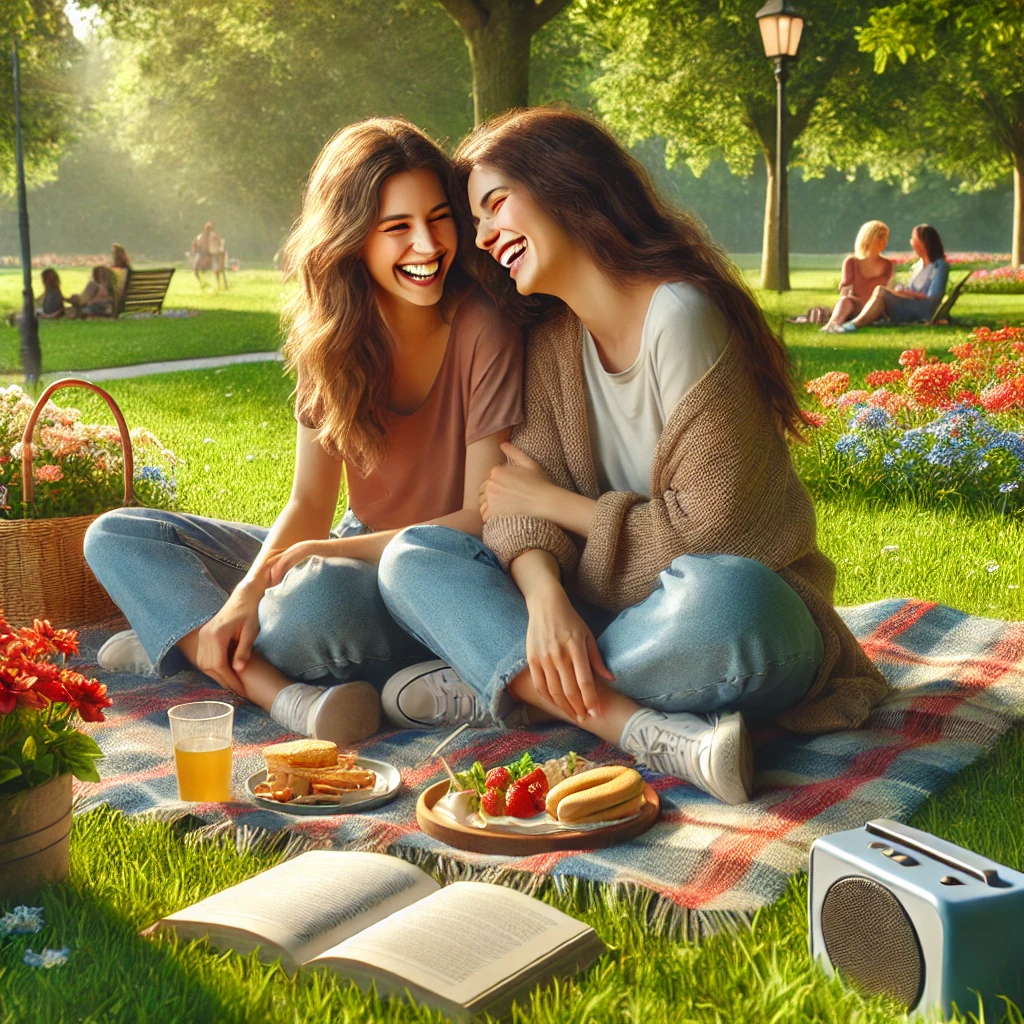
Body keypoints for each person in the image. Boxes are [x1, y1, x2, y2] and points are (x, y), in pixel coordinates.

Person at [376, 107, 889, 805]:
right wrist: (546, 596)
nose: (487, 236)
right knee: (415, 556)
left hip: (746, 619)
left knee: (724, 600)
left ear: (566, 185)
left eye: (496, 204)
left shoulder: (681, 317)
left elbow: (712, 535)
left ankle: (503, 679)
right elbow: (509, 511)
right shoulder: (551, 339)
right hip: (610, 623)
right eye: (478, 222)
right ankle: (641, 727)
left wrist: (559, 507)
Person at [83, 117, 525, 748]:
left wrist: (320, 559)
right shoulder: (334, 337)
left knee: (310, 613)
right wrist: (241, 597)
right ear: (351, 240)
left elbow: (478, 519)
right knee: (118, 535)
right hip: (343, 552)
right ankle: (248, 667)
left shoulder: (485, 327)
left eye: (438, 218)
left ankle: (182, 638)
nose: (427, 245)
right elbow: (310, 506)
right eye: (397, 228)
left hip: (435, 574)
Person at [836, 224, 949, 332]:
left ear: (923, 243)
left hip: (924, 310)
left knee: (881, 290)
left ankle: (855, 324)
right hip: (910, 304)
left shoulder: (940, 266)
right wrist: (901, 292)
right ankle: (852, 321)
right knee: (882, 292)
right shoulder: (917, 266)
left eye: (913, 239)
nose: (911, 242)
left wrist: (908, 293)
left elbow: (933, 297)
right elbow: (911, 292)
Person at [820, 221, 893, 331]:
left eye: (885, 236)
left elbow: (888, 290)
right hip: (856, 306)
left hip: (876, 308)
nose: (884, 240)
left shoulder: (887, 264)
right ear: (868, 238)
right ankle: (833, 325)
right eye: (879, 236)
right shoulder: (851, 262)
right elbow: (845, 288)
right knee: (845, 300)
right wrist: (844, 301)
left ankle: (840, 325)